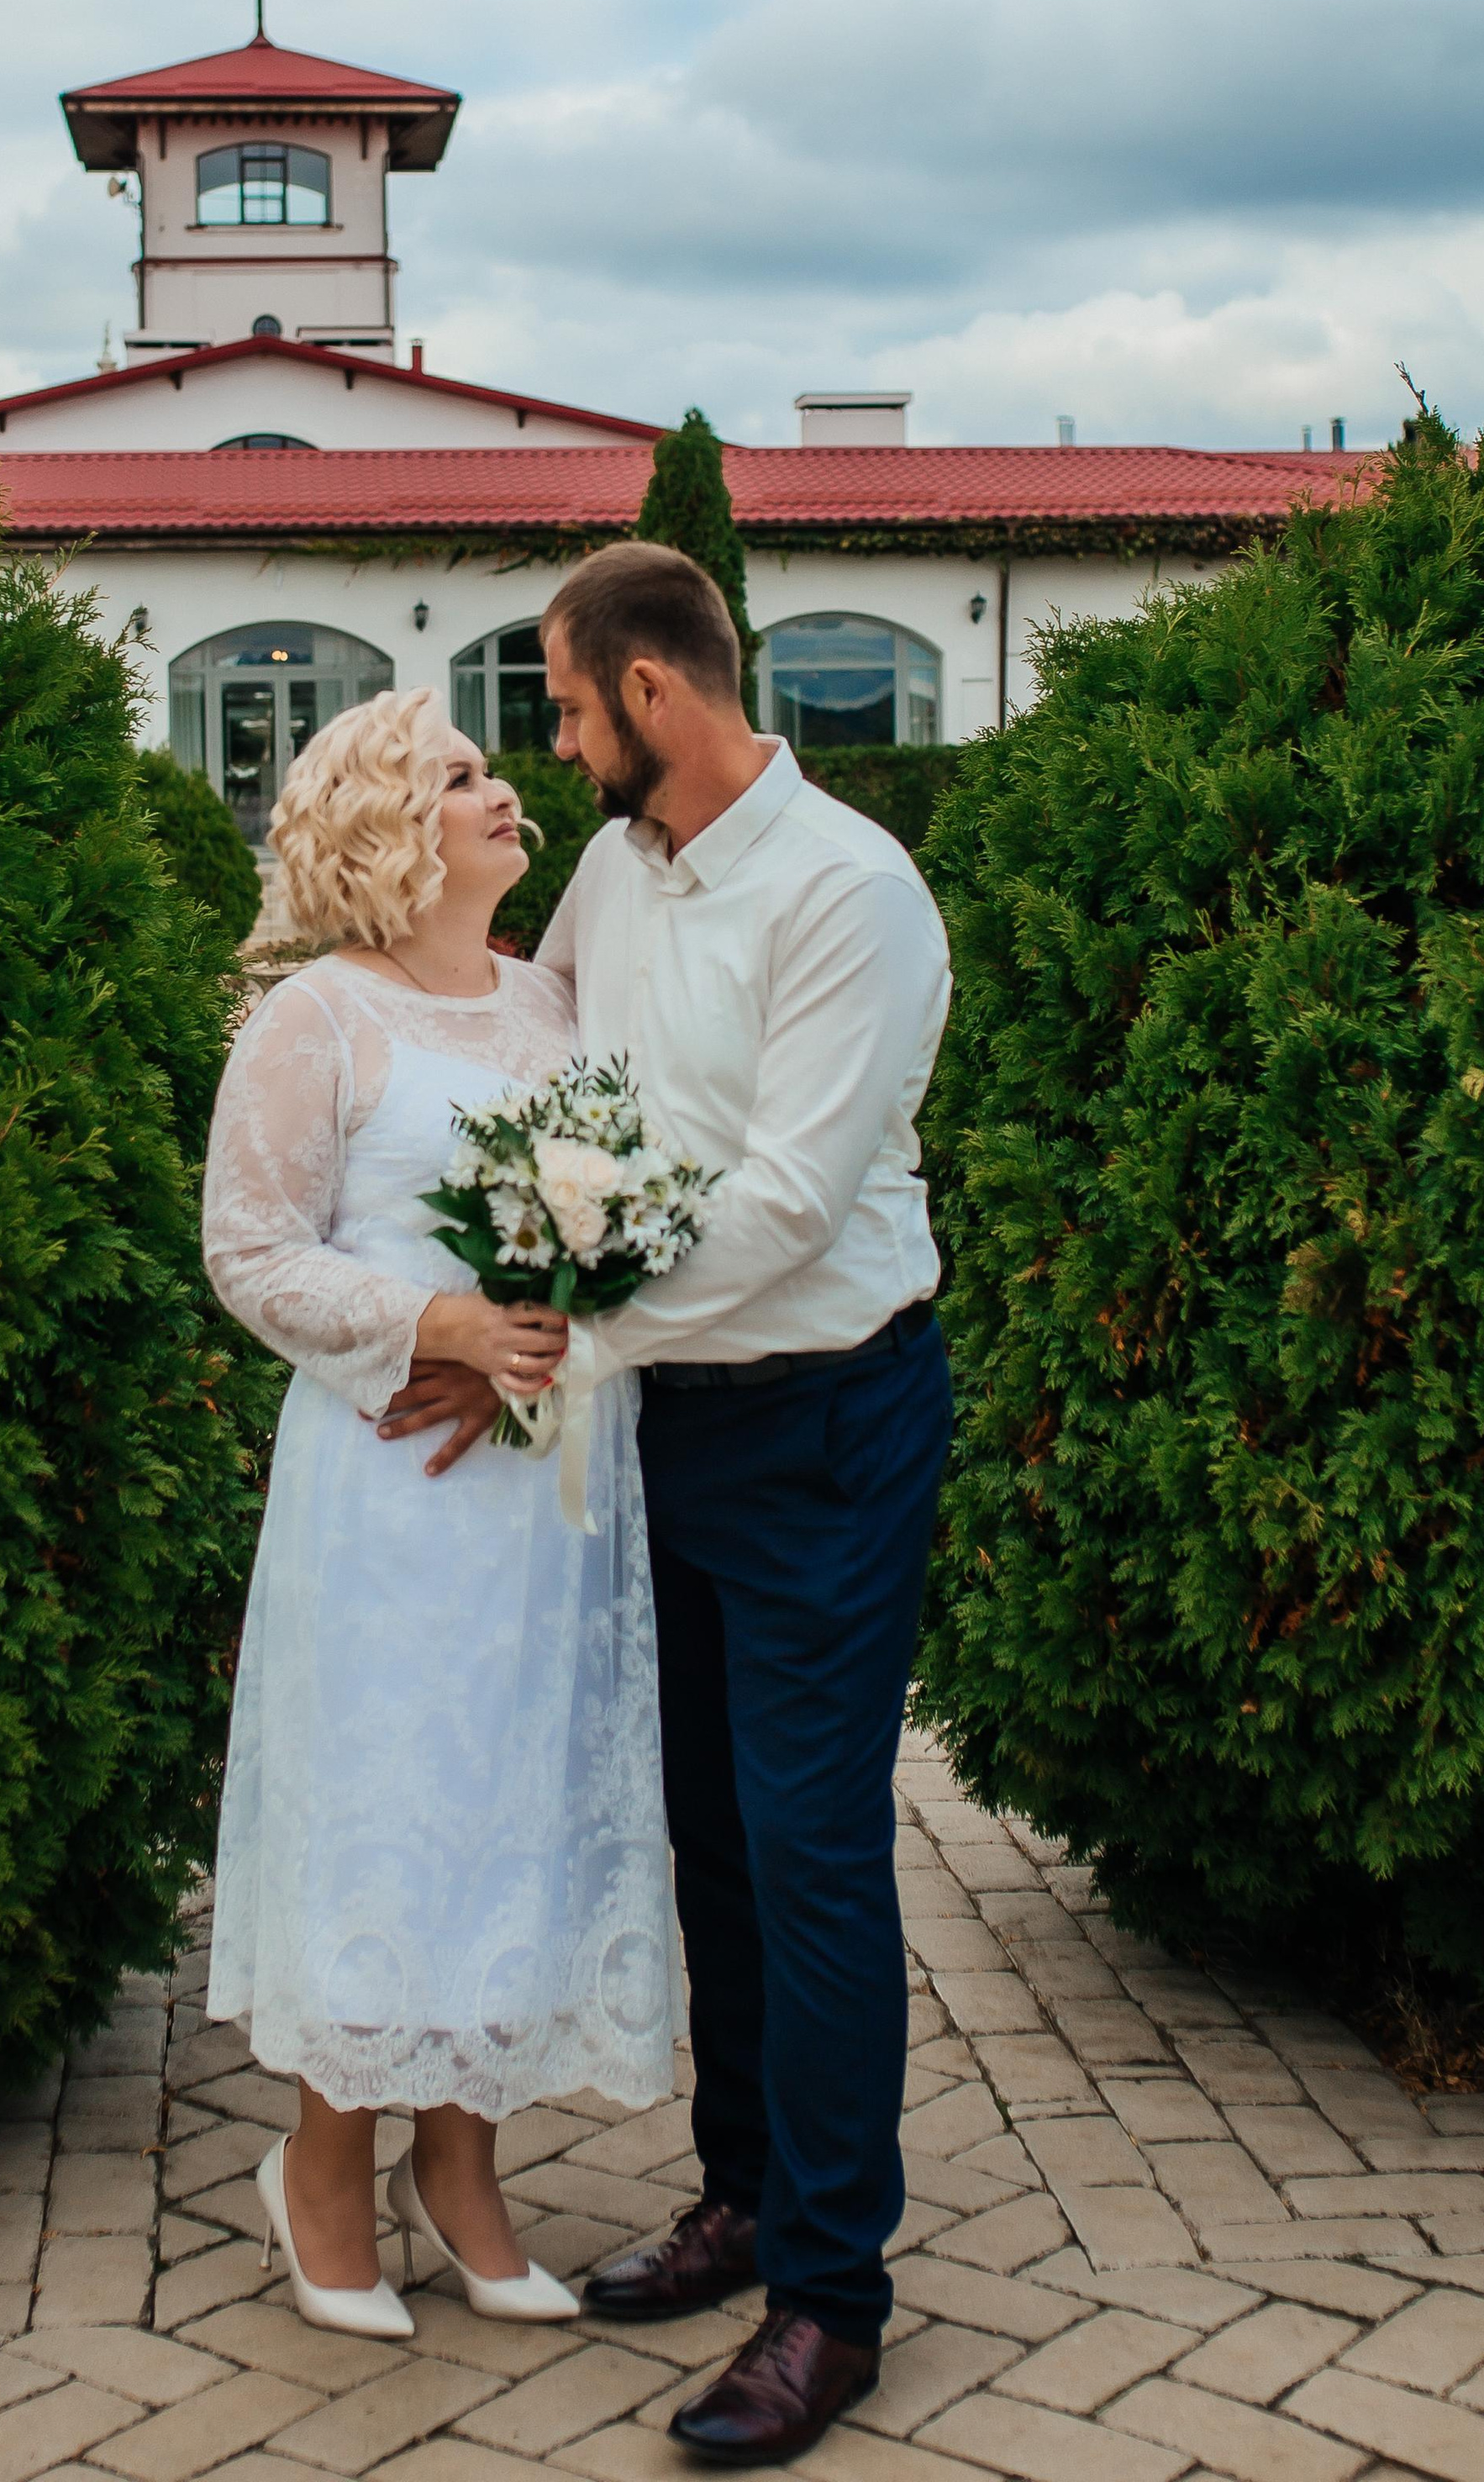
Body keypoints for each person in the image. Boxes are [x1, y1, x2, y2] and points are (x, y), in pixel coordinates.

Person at [383, 543, 953, 2465]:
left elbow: (790, 1205)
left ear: (648, 694)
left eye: (556, 703)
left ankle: (831, 2300)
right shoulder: (621, 876)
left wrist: (556, 1344)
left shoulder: (852, 894)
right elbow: (535, 1057)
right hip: (671, 1427)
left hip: (825, 1424)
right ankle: (742, 2196)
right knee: (705, 1830)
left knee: (809, 1851)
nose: (549, 747)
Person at [199, 686, 676, 2342]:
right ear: (386, 829)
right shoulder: (315, 1019)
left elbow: (621, 1222)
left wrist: (557, 1327)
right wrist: (432, 1326)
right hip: (391, 1494)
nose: (499, 791)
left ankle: (461, 2171)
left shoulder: (550, 1006)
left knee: (511, 1800)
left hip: (546, 1498)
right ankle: (323, 2168)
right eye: (458, 775)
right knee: (389, 1802)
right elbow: (247, 1250)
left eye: (489, 770)